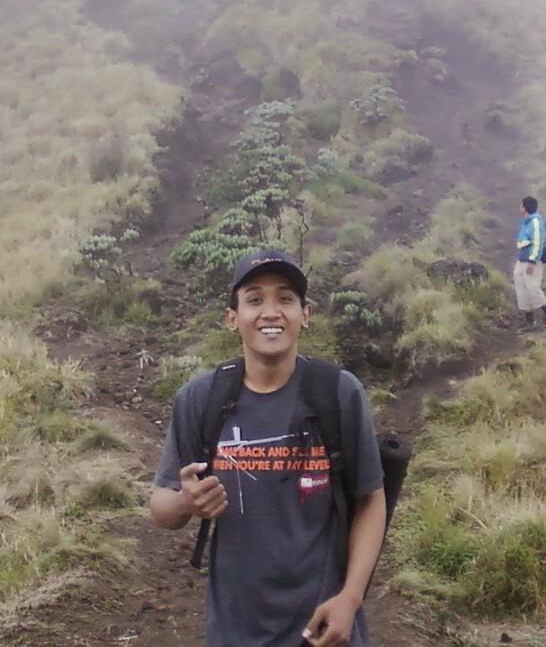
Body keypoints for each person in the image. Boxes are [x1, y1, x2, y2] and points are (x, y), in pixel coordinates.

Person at [150, 250, 387, 647]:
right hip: (235, 631)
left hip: (324, 628)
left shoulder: (337, 392)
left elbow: (370, 500)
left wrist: (351, 597)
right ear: (232, 318)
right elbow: (161, 506)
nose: (271, 312)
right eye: (255, 299)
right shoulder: (201, 398)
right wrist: (186, 504)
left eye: (286, 298)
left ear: (305, 314)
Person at [514, 195, 546, 331]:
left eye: (521, 205)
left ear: (524, 208)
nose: (519, 208)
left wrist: (532, 261)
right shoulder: (526, 222)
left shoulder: (535, 223)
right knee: (521, 289)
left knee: (532, 288)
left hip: (531, 262)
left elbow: (538, 243)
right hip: (521, 260)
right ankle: (530, 322)